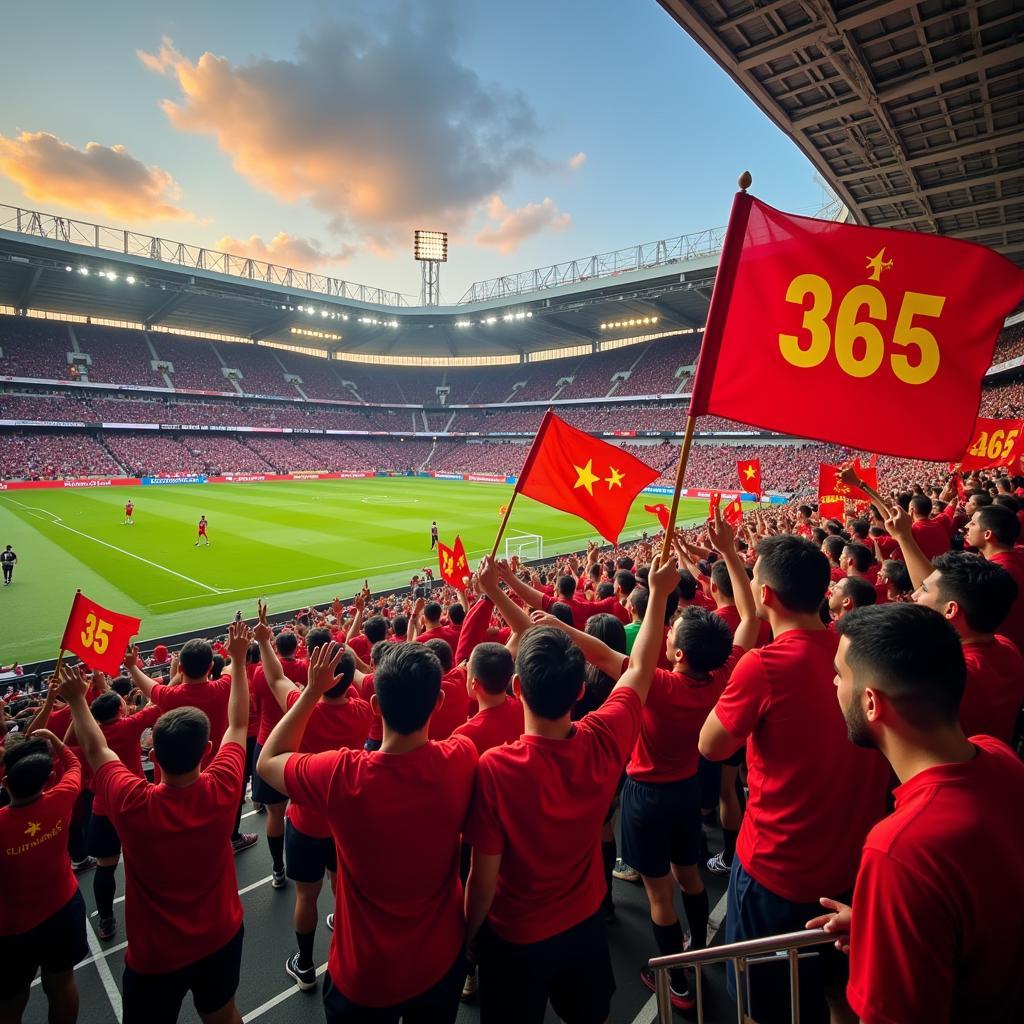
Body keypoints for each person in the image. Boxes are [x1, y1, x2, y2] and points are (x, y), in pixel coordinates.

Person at [462, 553, 679, 1024]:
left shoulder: (495, 768)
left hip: (515, 937)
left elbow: (482, 879)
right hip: (583, 928)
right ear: (580, 691)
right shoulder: (604, 739)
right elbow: (639, 669)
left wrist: (468, 934)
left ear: (516, 688)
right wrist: (659, 595)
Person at [699, 534, 890, 1024]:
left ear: (765, 595)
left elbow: (711, 745)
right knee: (836, 993)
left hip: (775, 873)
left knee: (761, 1005)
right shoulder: (860, 653)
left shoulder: (763, 666)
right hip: (853, 869)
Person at [811, 604, 1024, 1023]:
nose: (833, 683)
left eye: (840, 674)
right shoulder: (999, 754)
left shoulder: (899, 851)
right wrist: (886, 925)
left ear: (870, 702)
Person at [258, 640, 478, 1023]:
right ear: (438, 702)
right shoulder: (462, 757)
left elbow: (268, 761)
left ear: (376, 706)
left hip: (366, 977)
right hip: (441, 962)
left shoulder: (342, 775)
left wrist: (311, 692)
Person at [63, 620, 252, 1024]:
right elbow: (238, 724)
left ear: (155, 758)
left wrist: (78, 701)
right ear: (206, 750)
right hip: (222, 935)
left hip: (156, 955)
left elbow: (96, 748)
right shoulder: (224, 785)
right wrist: (237, 661)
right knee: (223, 1015)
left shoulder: (131, 801)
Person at [256, 621, 372, 991]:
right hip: (345, 820)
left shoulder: (300, 706)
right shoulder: (362, 712)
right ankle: (342, 930)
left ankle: (305, 965)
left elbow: (275, 678)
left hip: (306, 821)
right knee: (342, 883)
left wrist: (262, 640)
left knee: (306, 894)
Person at [0, 727, 86, 1024]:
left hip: (12, 929)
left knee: (10, 999)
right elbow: (75, 765)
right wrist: (57, 741)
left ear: (6, 782)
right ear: (50, 778)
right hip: (64, 908)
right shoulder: (61, 797)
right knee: (62, 984)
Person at [65, 682, 162, 941]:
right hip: (135, 803)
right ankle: (153, 911)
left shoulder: (90, 737)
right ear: (121, 709)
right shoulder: (128, 726)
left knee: (105, 867)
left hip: (103, 807)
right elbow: (159, 701)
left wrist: (79, 705)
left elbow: (66, 745)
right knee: (143, 861)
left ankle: (106, 920)